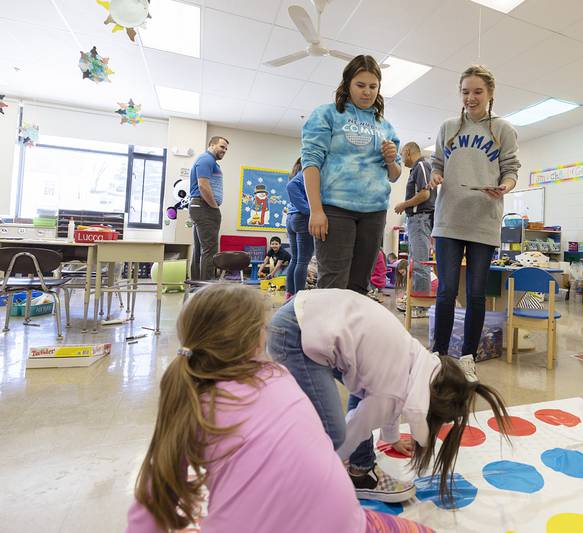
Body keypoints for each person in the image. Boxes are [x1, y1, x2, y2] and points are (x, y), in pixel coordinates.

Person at [126, 285, 434, 532]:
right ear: (258, 341)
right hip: (346, 520)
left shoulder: (193, 406)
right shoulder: (276, 376)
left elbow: (153, 498)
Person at [269, 289, 510, 504]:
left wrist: (391, 436)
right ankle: (291, 489)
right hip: (294, 334)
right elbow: (359, 425)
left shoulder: (415, 362)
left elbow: (392, 394)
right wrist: (332, 468)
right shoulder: (392, 392)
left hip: (308, 316)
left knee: (365, 397)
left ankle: (352, 469)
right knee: (334, 433)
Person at [428, 65, 521, 371]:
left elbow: (511, 170)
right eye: (465, 91)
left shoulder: (503, 130)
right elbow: (437, 163)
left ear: (490, 94)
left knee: (477, 294)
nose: (471, 97)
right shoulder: (447, 127)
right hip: (449, 219)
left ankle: (468, 357)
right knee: (446, 290)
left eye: (477, 91)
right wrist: (436, 176)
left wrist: (504, 187)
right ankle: (437, 355)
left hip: (484, 219)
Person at [301, 55, 402, 294]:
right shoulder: (327, 114)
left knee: (359, 286)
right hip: (336, 210)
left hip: (374, 212)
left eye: (373, 86)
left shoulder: (384, 125)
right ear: (347, 84)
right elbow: (311, 162)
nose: (367, 92)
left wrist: (391, 159)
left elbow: (395, 174)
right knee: (333, 283)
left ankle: (349, 333)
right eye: (360, 85)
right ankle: (325, 333)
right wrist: (316, 210)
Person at [394, 142, 436, 317]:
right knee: (415, 263)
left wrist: (404, 204)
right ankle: (416, 301)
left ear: (408, 152)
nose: (401, 158)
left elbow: (425, 194)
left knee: (420, 265)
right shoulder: (417, 168)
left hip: (420, 219)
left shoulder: (421, 165)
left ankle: (422, 307)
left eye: (401, 154)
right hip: (416, 221)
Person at [189, 136, 228, 281]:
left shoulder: (209, 161)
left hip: (200, 207)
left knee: (200, 250)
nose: (224, 150)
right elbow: (203, 185)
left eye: (226, 149)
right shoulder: (206, 159)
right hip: (204, 207)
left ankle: (197, 286)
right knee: (209, 251)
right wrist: (213, 206)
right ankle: (206, 290)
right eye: (222, 146)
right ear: (211, 145)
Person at [285, 157, 313, 300]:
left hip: (291, 218)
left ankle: (290, 295)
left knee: (295, 260)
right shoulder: (306, 173)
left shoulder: (298, 173)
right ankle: (298, 298)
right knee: (302, 261)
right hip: (301, 218)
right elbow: (291, 186)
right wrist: (310, 211)